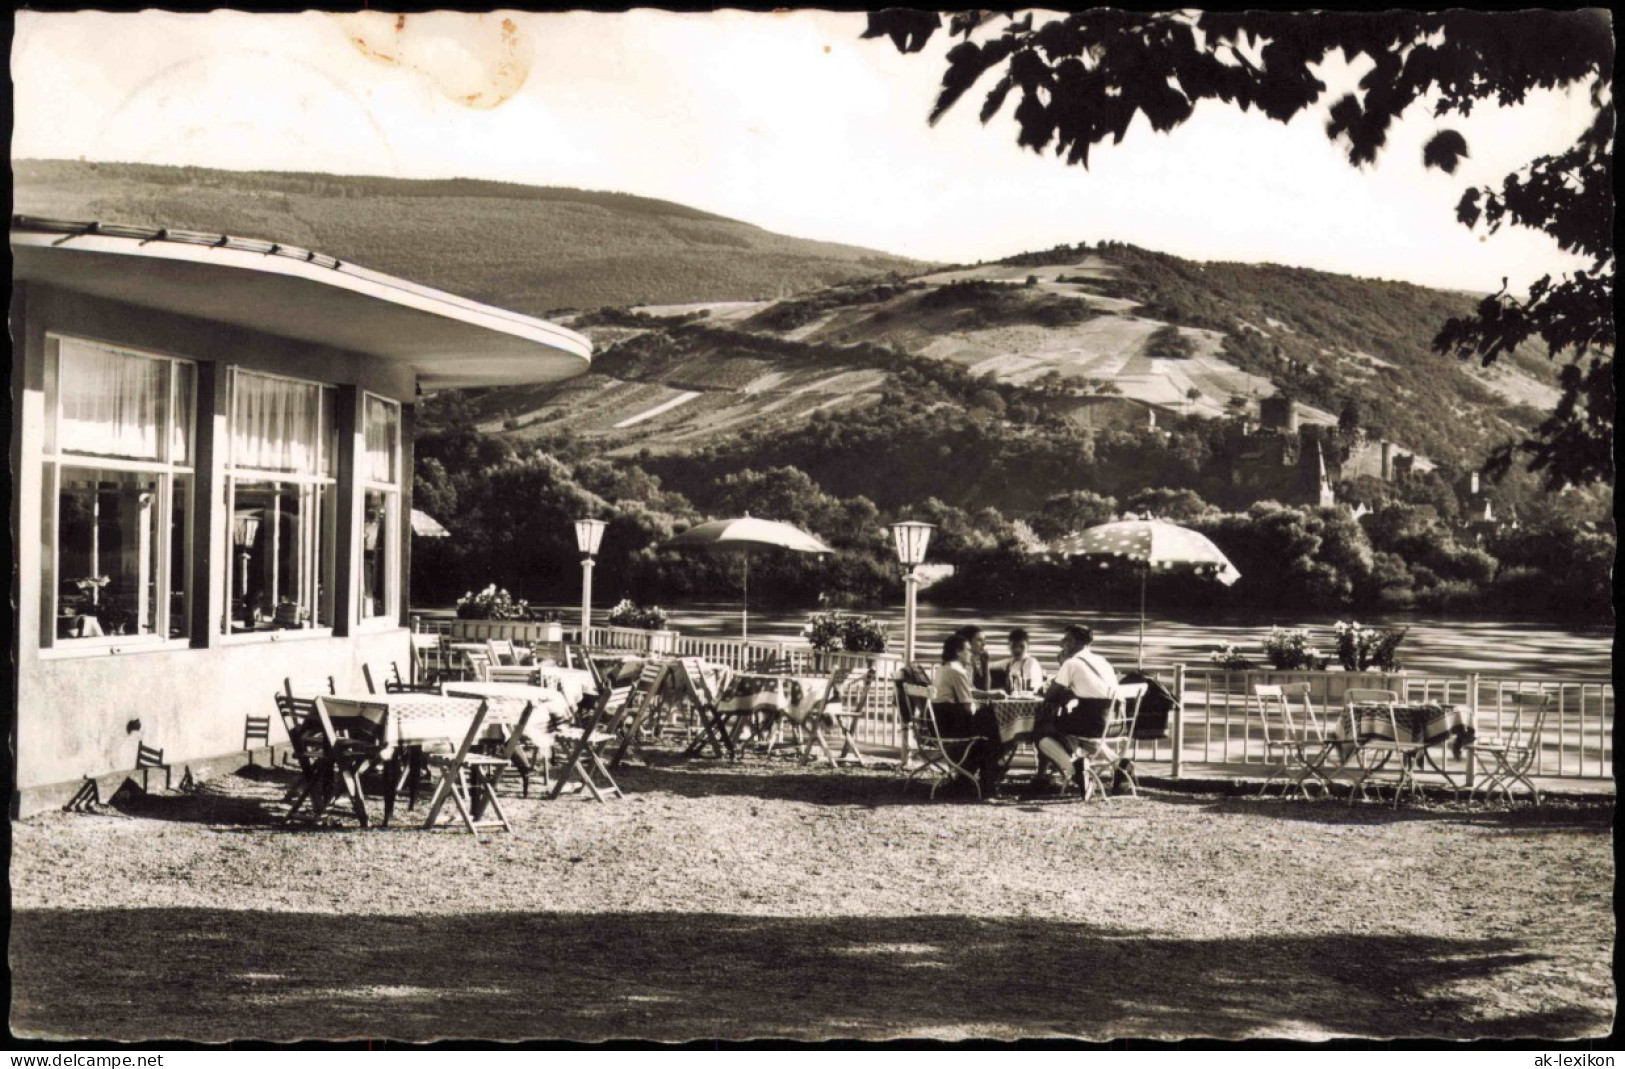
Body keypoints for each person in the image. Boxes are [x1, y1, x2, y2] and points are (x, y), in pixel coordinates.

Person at [1034, 624, 1131, 795]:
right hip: (1117, 721)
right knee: (1078, 736)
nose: (1061, 644)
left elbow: (1050, 695)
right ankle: (1119, 764)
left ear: (1076, 643)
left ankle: (1077, 771)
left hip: (1093, 722)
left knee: (1043, 732)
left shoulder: (1071, 663)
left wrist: (1061, 671)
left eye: (1066, 640)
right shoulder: (1103, 661)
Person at [929, 633, 1007, 796]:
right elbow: (968, 708)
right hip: (952, 726)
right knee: (993, 724)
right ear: (958, 652)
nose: (970, 654)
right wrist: (982, 705)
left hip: (939, 723)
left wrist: (989, 695)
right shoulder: (957, 671)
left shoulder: (944, 668)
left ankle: (971, 778)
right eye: (967, 650)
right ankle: (991, 779)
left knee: (989, 733)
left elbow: (966, 691)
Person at [995, 628, 1046, 694]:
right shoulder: (1008, 663)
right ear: (1008, 646)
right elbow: (989, 666)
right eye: (1014, 646)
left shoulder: (1032, 662)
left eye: (1021, 646)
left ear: (1028, 646)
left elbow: (1032, 689)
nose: (1017, 650)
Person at [952, 624, 996, 692]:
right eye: (979, 640)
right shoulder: (960, 663)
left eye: (984, 640)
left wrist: (985, 664)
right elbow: (966, 692)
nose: (984, 644)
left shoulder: (971, 661)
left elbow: (984, 689)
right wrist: (992, 695)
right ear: (967, 643)